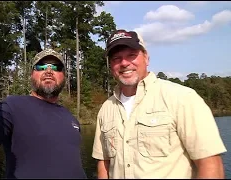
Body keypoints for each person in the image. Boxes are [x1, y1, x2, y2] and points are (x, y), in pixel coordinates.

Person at [91, 29, 227, 179]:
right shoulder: (106, 108)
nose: (124, 63)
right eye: (117, 58)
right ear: (111, 66)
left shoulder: (182, 97)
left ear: (146, 58)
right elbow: (104, 164)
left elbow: (210, 163)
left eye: (131, 55)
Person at [0, 48, 87, 179]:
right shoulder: (12, 106)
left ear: (64, 76)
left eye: (56, 67)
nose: (48, 71)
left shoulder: (71, 118)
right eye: (41, 67)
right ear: (32, 74)